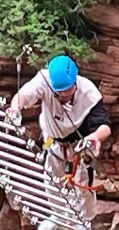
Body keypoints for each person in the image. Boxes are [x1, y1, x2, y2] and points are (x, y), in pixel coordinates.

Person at [7, 55, 111, 208]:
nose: (65, 94)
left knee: (83, 185)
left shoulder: (89, 93)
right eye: (60, 91)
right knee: (52, 183)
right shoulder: (44, 79)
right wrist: (15, 108)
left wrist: (95, 136)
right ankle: (61, 219)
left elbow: (105, 125)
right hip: (54, 142)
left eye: (69, 89)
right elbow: (22, 95)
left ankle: (85, 222)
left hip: (78, 146)